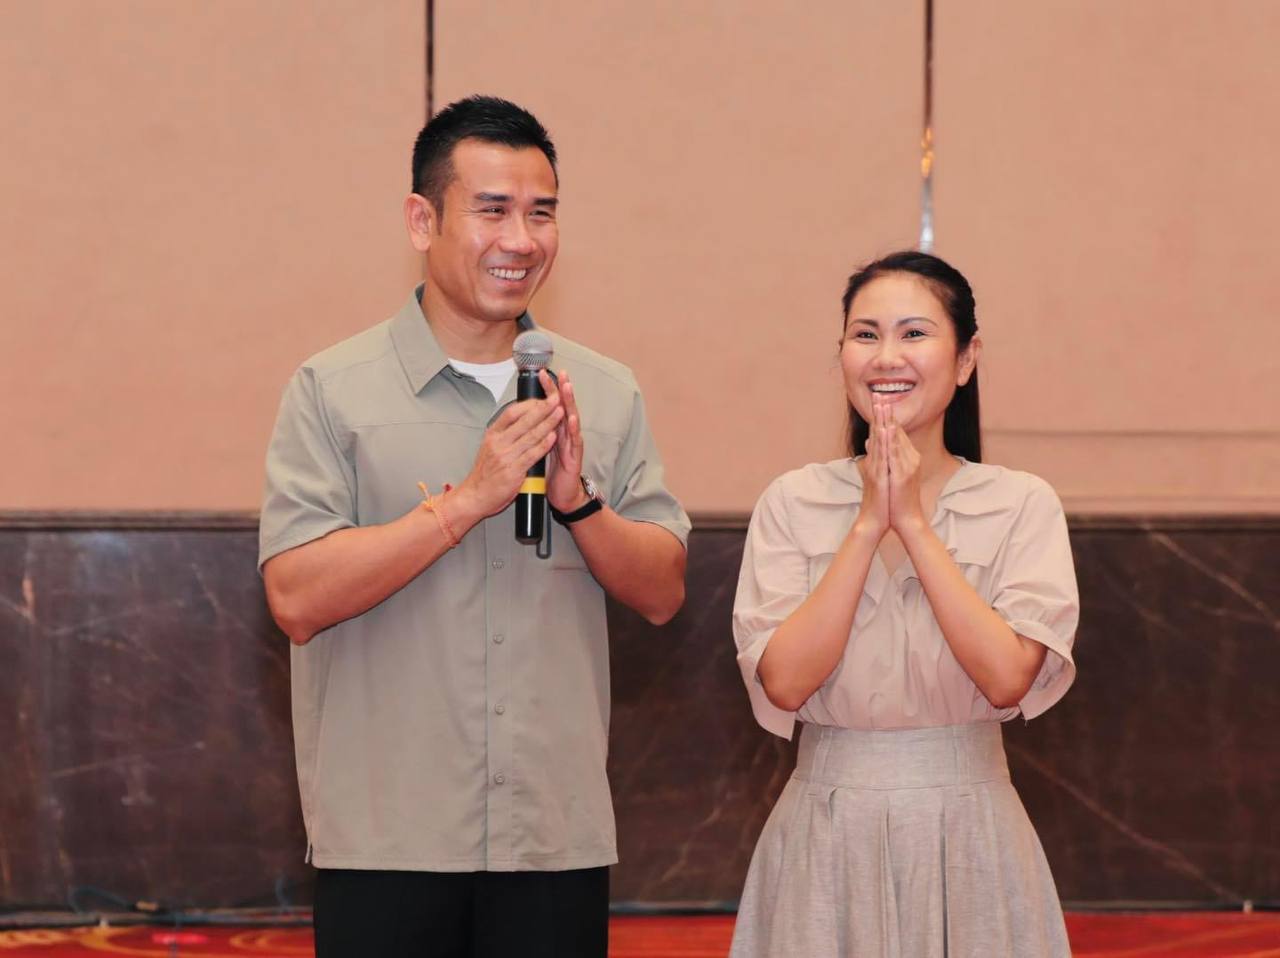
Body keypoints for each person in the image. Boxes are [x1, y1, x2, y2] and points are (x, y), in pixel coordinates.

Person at [258, 95, 689, 958]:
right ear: (423, 221)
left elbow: (663, 592)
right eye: (493, 210)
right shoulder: (333, 389)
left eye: (542, 213)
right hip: (388, 840)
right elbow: (296, 598)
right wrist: (466, 502)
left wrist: (578, 502)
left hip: (552, 838)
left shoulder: (604, 393)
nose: (520, 239)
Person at [730, 250, 1077, 957]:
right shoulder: (793, 501)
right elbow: (785, 682)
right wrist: (868, 523)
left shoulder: (1022, 503)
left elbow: (1007, 677)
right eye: (866, 335)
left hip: (971, 828)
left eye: (914, 333)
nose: (887, 356)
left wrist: (912, 522)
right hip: (824, 828)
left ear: (966, 357)